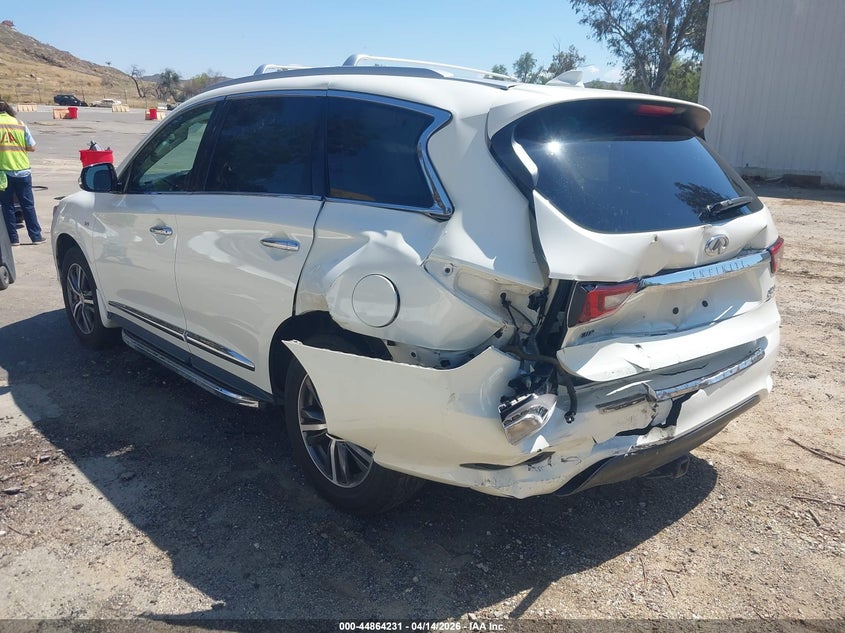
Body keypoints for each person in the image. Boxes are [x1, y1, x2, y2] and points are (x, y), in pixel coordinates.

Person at [0, 100, 44, 245]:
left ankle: (13, 239)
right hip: (23, 170)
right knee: (28, 205)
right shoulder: (19, 123)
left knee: (7, 206)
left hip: (4, 173)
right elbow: (32, 147)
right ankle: (36, 237)